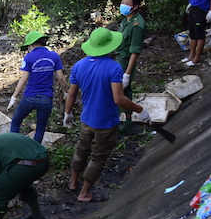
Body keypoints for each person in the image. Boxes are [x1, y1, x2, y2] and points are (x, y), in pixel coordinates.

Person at [64, 27, 151, 202]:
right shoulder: (114, 67)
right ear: (110, 46)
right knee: (98, 157)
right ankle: (85, 192)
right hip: (105, 122)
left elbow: (72, 94)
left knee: (81, 150)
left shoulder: (79, 66)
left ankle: (73, 182)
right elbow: (119, 99)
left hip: (86, 119)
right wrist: (140, 110)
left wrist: (67, 113)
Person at [8, 31, 67, 143]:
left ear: (30, 45)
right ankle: (35, 153)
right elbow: (61, 78)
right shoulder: (54, 56)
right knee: (40, 128)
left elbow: (24, 79)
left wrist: (13, 97)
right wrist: (66, 92)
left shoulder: (28, 57)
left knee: (16, 121)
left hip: (30, 97)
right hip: (46, 98)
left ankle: (14, 147)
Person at [115, 0, 146, 134]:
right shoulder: (126, 20)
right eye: (122, 2)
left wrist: (127, 73)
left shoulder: (137, 25)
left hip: (126, 60)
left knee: (123, 91)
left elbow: (135, 51)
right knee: (118, 90)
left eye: (127, 4)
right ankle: (121, 120)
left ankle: (127, 122)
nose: (123, 6)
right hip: (119, 58)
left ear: (135, 6)